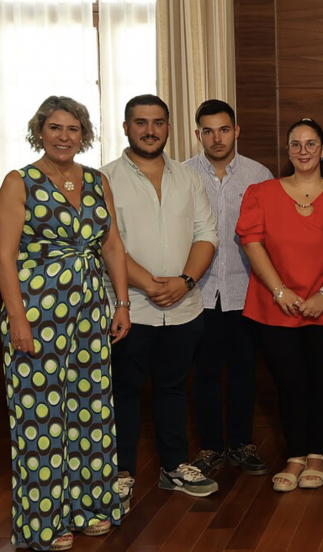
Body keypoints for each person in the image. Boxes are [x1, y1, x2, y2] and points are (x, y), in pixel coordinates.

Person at [0, 97, 128, 550]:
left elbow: (112, 246)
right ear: (40, 131)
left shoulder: (96, 180)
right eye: (55, 127)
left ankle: (89, 507)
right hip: (37, 314)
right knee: (41, 417)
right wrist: (18, 319)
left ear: (84, 135)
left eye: (73, 129)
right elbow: (4, 256)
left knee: (91, 412)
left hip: (91, 311)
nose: (64, 136)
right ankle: (43, 523)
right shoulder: (19, 181)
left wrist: (122, 303)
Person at [101, 94, 220, 502]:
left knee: (172, 389)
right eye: (141, 122)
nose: (150, 130)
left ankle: (174, 467)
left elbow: (206, 233)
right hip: (128, 309)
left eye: (158, 122)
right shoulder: (104, 178)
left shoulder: (188, 177)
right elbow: (106, 243)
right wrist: (149, 284)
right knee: (124, 391)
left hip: (184, 308)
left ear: (169, 127)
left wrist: (185, 281)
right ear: (126, 127)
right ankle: (121, 472)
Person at [236, 118, 323, 492]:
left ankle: (317, 454)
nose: (304, 151)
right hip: (275, 305)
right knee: (289, 383)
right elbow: (251, 242)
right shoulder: (261, 192)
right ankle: (296, 455)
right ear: (287, 151)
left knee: (320, 381)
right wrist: (280, 291)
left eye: (311, 143)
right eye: (296, 144)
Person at [184, 99, 272, 478]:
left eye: (223, 129)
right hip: (199, 293)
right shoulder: (183, 174)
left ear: (236, 131)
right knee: (204, 373)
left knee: (243, 372)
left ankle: (240, 444)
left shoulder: (259, 174)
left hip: (245, 290)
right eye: (208, 131)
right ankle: (210, 447)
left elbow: (269, 235)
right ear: (198, 134)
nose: (216, 138)